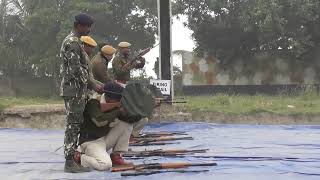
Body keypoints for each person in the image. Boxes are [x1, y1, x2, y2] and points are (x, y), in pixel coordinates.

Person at [59, 13, 102, 173]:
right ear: (79, 26)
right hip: (74, 91)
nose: (89, 30)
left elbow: (83, 70)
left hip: (79, 91)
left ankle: (73, 158)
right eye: (87, 27)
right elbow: (76, 70)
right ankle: (69, 162)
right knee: (73, 126)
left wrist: (95, 84)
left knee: (76, 126)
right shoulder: (72, 43)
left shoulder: (76, 42)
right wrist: (93, 84)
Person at [78, 82, 136, 171]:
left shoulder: (114, 104)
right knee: (105, 165)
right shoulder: (93, 103)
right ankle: (80, 158)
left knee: (126, 124)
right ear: (108, 98)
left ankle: (116, 157)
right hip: (91, 142)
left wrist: (139, 110)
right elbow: (99, 121)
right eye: (118, 99)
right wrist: (118, 111)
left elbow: (131, 119)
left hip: (103, 139)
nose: (120, 101)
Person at [112, 42, 148, 137]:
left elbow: (139, 66)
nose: (129, 50)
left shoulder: (127, 59)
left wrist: (141, 60)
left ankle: (132, 132)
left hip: (125, 84)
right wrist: (131, 64)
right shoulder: (117, 59)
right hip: (119, 84)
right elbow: (119, 72)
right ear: (121, 49)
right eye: (127, 48)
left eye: (129, 48)